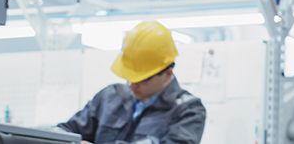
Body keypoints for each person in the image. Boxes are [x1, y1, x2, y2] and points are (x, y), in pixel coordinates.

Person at [58, 21, 206, 143]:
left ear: (167, 73)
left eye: (143, 79)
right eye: (129, 77)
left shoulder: (189, 111)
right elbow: (65, 132)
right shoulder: (109, 97)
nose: (133, 85)